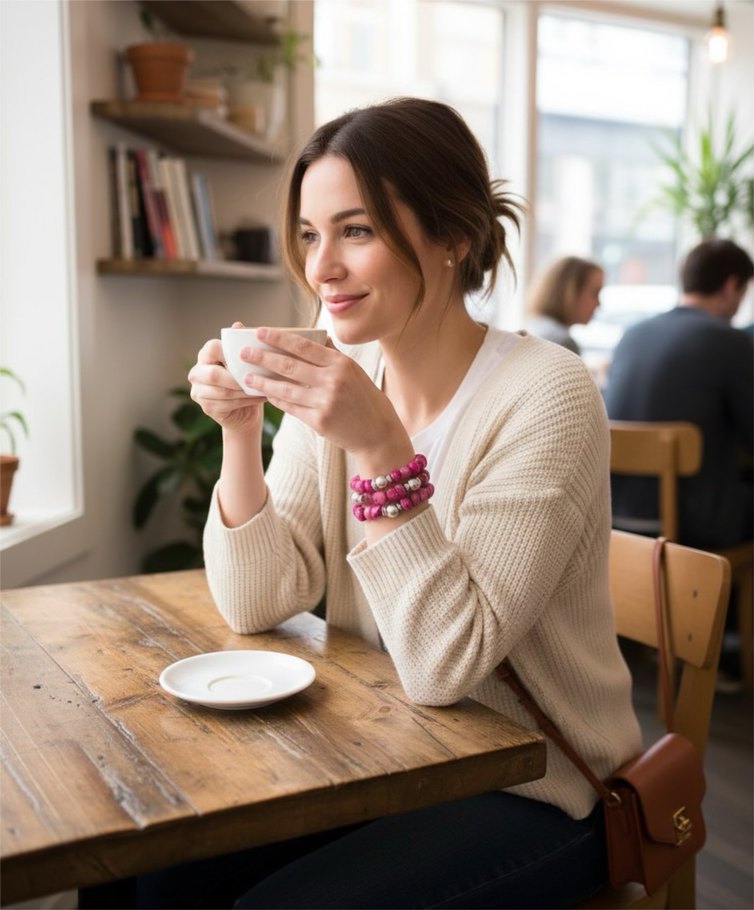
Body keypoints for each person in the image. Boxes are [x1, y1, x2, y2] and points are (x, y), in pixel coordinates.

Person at [97, 98, 642, 910]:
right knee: (141, 865)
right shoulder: (345, 383)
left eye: (357, 231)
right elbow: (258, 603)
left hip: (537, 783)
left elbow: (442, 666)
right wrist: (240, 433)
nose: (321, 269)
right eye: (312, 236)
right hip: (385, 756)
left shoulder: (545, 394)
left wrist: (383, 449)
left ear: (453, 236)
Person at [604, 238, 753, 552]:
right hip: (694, 525)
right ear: (731, 286)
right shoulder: (729, 340)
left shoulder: (632, 334)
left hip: (618, 515)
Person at [524, 256, 604, 355]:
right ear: (571, 293)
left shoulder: (535, 327)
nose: (599, 303)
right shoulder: (563, 344)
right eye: (595, 293)